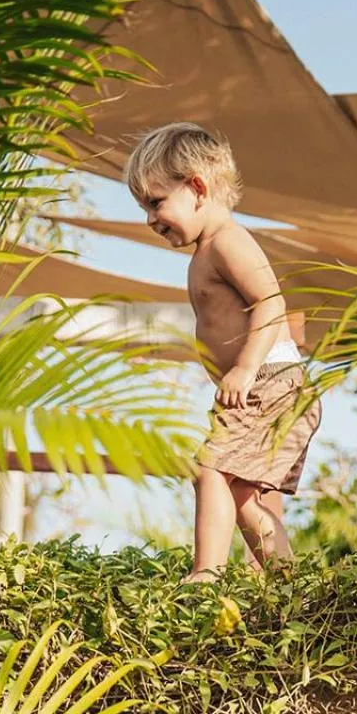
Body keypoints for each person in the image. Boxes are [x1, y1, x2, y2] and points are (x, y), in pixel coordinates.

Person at [124, 122, 321, 580]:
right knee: (239, 495)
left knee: (210, 470)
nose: (150, 219)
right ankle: (287, 581)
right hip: (265, 384)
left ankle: (205, 575)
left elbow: (271, 301)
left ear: (197, 187)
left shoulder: (228, 241)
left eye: (156, 203)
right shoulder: (206, 251)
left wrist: (245, 369)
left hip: (271, 380)